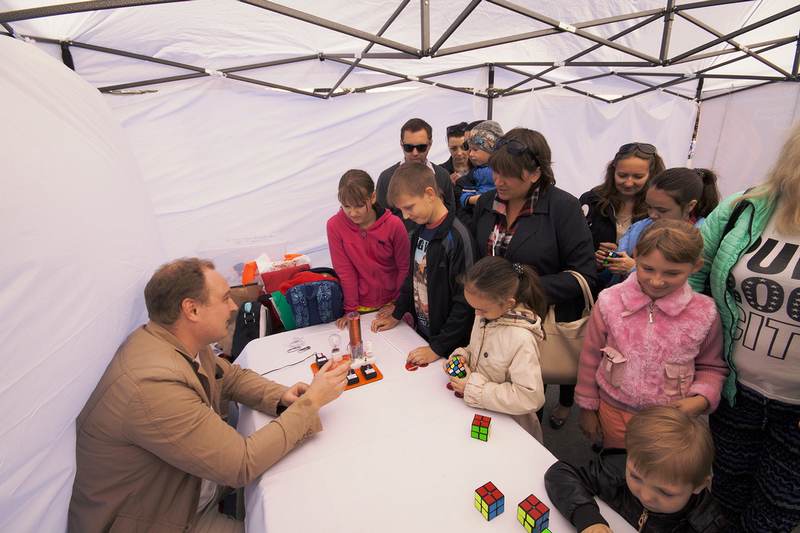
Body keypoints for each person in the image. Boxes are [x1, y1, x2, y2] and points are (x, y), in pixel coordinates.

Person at [68, 258, 350, 533]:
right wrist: (311, 402)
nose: (233, 306)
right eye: (225, 298)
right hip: (169, 519)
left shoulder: (175, 340)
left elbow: (228, 377)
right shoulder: (153, 386)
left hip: (191, 492)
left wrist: (282, 396)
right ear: (192, 310)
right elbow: (240, 463)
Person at [688, 123, 800, 533]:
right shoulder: (746, 206)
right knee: (724, 497)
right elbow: (694, 271)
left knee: (777, 513)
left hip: (795, 408)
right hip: (735, 390)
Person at [472, 128, 597, 430]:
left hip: (532, 328)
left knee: (523, 403)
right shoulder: (487, 202)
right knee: (486, 398)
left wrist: (520, 286)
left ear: (535, 173)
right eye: (495, 171)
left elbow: (585, 276)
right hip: (487, 321)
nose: (498, 181)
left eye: (508, 175)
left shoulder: (562, 207)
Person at [575, 220, 728, 449]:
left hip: (670, 421)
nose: (657, 280)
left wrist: (701, 399)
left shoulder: (704, 313)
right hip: (613, 411)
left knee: (658, 478)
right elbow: (590, 357)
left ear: (696, 266)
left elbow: (712, 367)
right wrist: (587, 406)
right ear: (635, 256)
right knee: (615, 471)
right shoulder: (609, 301)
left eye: (672, 273)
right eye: (647, 269)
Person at [545, 406, 729, 533]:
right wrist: (587, 518)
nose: (646, 496)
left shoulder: (707, 523)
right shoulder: (617, 469)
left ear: (699, 485)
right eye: (636, 477)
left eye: (665, 492)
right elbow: (560, 474)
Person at [371, 162, 476, 366]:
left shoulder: (458, 237)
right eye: (401, 210)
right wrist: (397, 313)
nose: (405, 216)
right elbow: (412, 278)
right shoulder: (419, 231)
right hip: (424, 336)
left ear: (429, 194)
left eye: (409, 207)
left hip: (449, 348)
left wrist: (438, 347)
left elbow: (466, 302)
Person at [443, 256, 547, 441]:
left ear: (509, 304)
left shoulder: (521, 339)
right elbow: (476, 348)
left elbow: (531, 397)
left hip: (511, 425)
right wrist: (463, 355)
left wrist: (473, 388)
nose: (476, 314)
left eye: (481, 309)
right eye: (473, 307)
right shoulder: (487, 314)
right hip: (480, 411)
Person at [327, 169, 410, 328]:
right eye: (346, 206)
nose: (352, 213)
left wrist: (398, 305)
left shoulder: (394, 225)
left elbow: (404, 267)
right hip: (359, 307)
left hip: (392, 304)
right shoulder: (334, 226)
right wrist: (351, 310)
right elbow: (345, 271)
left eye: (358, 206)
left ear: (372, 197)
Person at [604, 167, 720, 281]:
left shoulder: (703, 238)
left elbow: (690, 282)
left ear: (690, 206)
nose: (652, 215)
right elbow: (615, 271)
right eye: (649, 207)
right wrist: (608, 262)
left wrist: (633, 267)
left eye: (662, 210)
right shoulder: (639, 228)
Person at [580, 142, 665, 291]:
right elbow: (574, 242)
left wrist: (631, 263)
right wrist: (593, 258)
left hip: (636, 290)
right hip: (592, 286)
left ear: (652, 175)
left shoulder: (658, 210)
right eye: (622, 175)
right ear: (613, 171)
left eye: (638, 176)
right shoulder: (592, 200)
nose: (628, 182)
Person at [375, 117, 456, 230]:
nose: (415, 153)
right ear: (401, 144)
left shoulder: (442, 175)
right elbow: (380, 222)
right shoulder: (386, 177)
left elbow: (450, 215)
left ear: (430, 144)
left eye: (421, 147)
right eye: (409, 147)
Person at [456, 120, 503, 221]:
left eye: (475, 149)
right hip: (481, 215)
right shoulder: (474, 174)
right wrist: (479, 200)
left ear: (492, 150)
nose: (470, 154)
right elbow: (464, 197)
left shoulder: (507, 170)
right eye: (469, 148)